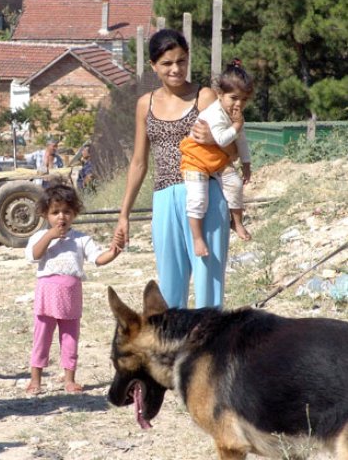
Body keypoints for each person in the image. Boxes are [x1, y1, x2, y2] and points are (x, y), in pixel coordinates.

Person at [113, 29, 233, 309]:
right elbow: (139, 162)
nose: (175, 69)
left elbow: (234, 150)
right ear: (154, 66)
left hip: (206, 194)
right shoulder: (146, 104)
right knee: (169, 290)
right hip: (165, 198)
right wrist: (124, 215)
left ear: (188, 59)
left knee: (208, 285)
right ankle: (172, 350)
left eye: (181, 61)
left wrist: (213, 139)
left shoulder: (205, 98)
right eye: (167, 64)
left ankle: (210, 348)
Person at [24, 183, 124, 395]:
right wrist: (50, 236)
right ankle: (35, 379)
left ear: (74, 213)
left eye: (67, 212)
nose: (61, 217)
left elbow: (98, 258)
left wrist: (114, 251)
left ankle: (69, 379)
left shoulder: (80, 239)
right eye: (55, 212)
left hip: (71, 296)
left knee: (70, 338)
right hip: (46, 297)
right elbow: (33, 255)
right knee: (42, 337)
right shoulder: (40, 237)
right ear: (45, 214)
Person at [180, 59, 254, 257]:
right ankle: (197, 238)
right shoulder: (214, 113)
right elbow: (221, 139)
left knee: (235, 183)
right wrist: (236, 126)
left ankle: (237, 222)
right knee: (198, 198)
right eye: (234, 98)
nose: (238, 104)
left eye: (244, 100)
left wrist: (246, 163)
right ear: (220, 95)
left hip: (216, 161)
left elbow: (241, 141)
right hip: (196, 160)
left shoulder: (235, 116)